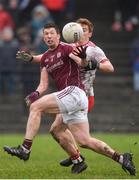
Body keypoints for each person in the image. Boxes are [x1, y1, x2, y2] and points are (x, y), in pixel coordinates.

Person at [9, 19, 136, 176]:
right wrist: (34, 90)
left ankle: (25, 149)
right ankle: (121, 158)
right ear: (43, 38)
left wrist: (85, 60)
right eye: (45, 34)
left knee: (36, 107)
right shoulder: (46, 58)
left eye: (51, 33)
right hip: (74, 97)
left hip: (76, 92)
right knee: (82, 140)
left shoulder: (71, 48)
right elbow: (43, 83)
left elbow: (83, 63)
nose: (48, 36)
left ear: (58, 36)